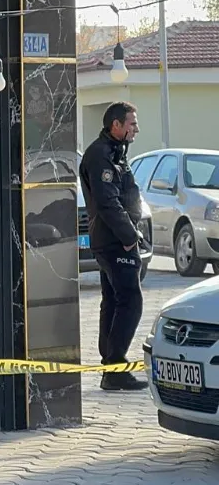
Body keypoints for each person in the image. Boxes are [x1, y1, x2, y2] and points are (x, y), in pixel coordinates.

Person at [79, 101, 148, 391]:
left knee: (114, 300)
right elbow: (107, 201)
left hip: (116, 239)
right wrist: (129, 236)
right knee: (131, 301)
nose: (136, 129)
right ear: (116, 125)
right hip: (114, 242)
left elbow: (128, 194)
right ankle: (115, 365)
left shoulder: (116, 151)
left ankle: (111, 368)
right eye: (132, 123)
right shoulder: (100, 155)